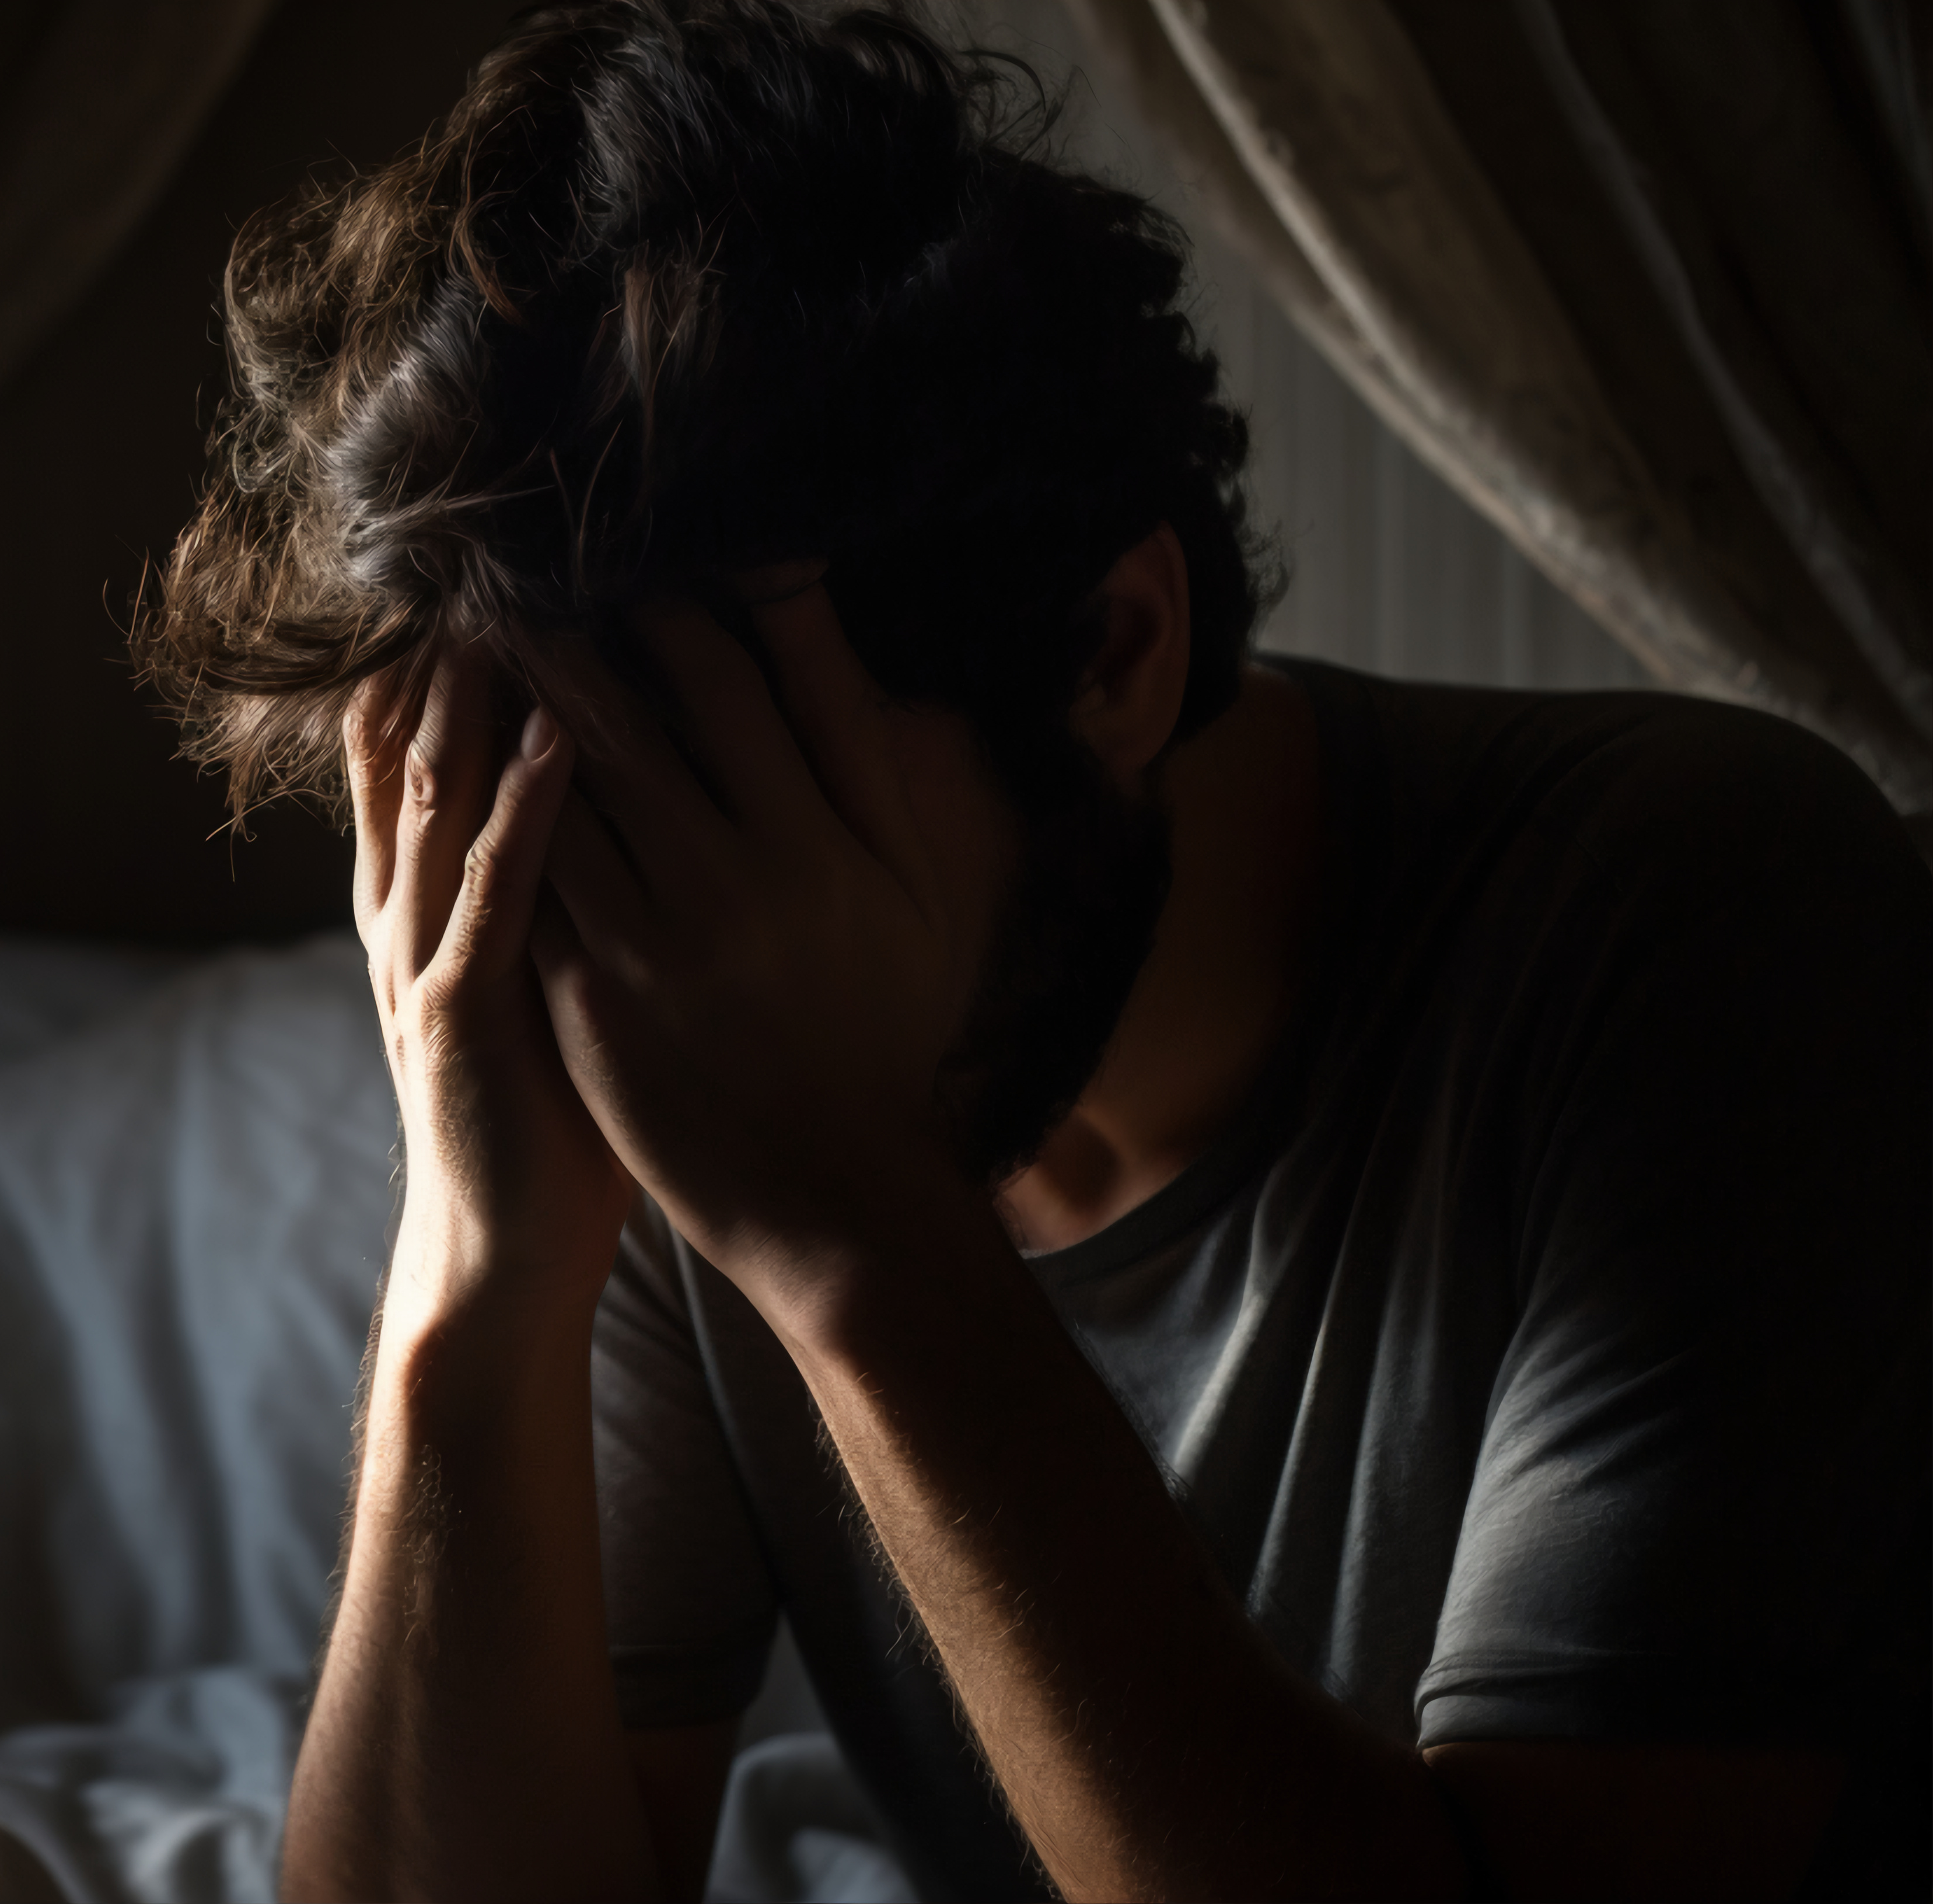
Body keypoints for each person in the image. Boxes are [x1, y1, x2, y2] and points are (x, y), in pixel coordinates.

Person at [134, 4, 1931, 1898]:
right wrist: (471, 1279)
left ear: (1113, 658)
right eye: (523, 832)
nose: (602, 957)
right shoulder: (636, 1019)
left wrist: (849, 1226)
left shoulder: (1706, 920)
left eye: (720, 817)